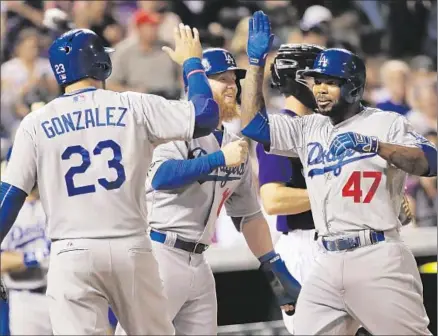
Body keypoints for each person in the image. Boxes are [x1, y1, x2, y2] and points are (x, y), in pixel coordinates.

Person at [0, 24, 220, 335]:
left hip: (70, 252)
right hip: (130, 246)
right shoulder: (133, 104)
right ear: (100, 63)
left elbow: (9, 195)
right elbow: (206, 116)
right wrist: (192, 63)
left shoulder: (35, 123)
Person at [241, 10, 436, 335]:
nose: (319, 89)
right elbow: (252, 125)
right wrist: (255, 64)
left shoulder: (384, 122)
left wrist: (378, 147)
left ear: (354, 87)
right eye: (317, 81)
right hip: (327, 258)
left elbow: (431, 161)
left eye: (330, 83)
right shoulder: (307, 127)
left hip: (377, 253)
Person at [115, 47, 300, 335]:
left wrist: (273, 266)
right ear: (196, 84)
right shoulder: (172, 127)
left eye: (233, 78)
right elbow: (162, 176)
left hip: (200, 262)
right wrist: (217, 160)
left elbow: (248, 215)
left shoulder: (233, 142)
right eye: (220, 79)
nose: (231, 86)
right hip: (159, 252)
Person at [256, 43, 323, 334]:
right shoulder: (281, 126)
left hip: (334, 240)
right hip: (304, 243)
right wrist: (335, 196)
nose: (324, 87)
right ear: (297, 80)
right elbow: (273, 198)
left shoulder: (324, 126)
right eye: (317, 79)